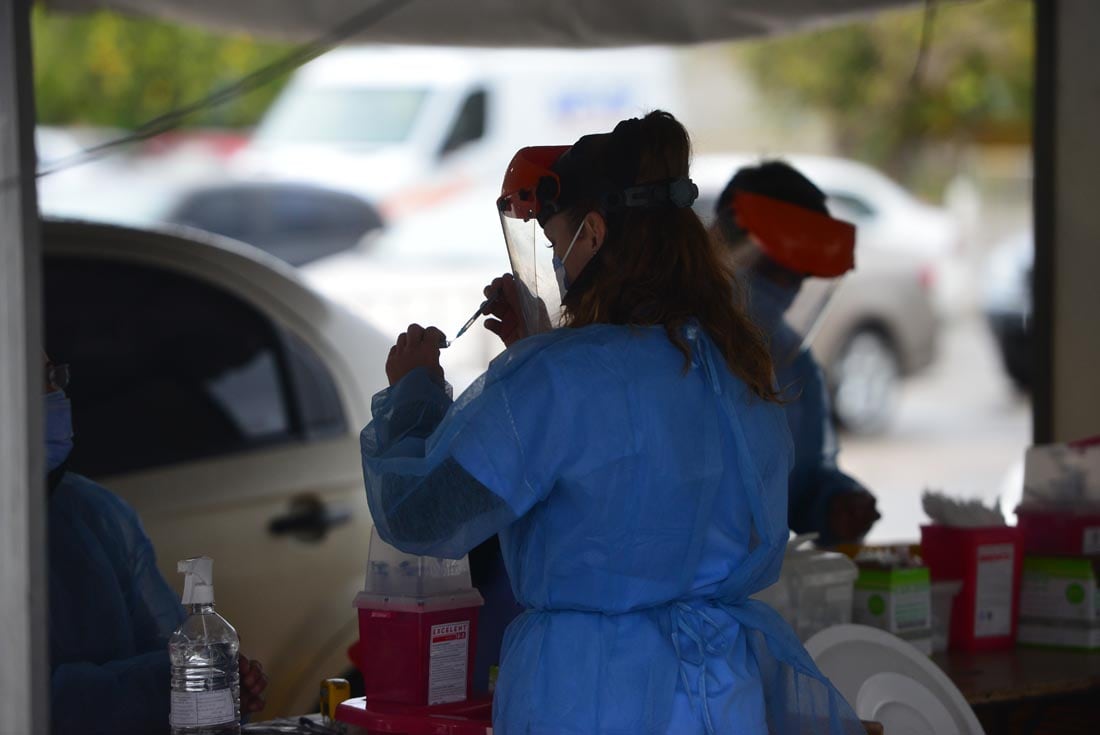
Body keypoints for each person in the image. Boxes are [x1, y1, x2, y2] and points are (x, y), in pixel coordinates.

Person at [359, 112, 863, 734]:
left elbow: (421, 515)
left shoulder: (556, 379)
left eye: (556, 243)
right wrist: (539, 351)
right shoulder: (737, 366)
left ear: (593, 233)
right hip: (722, 696)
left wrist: (413, 395)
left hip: (592, 695)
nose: (556, 263)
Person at [44, 356, 268, 735]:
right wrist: (164, 688)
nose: (55, 395)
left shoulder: (98, 514)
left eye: (54, 377)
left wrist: (219, 687)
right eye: (35, 382)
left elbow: (167, 647)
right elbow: (31, 703)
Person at [712, 162, 880, 545]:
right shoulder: (669, 349)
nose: (786, 288)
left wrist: (834, 505)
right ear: (721, 244)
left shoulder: (792, 365)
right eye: (773, 270)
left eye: (799, 278)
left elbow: (801, 486)